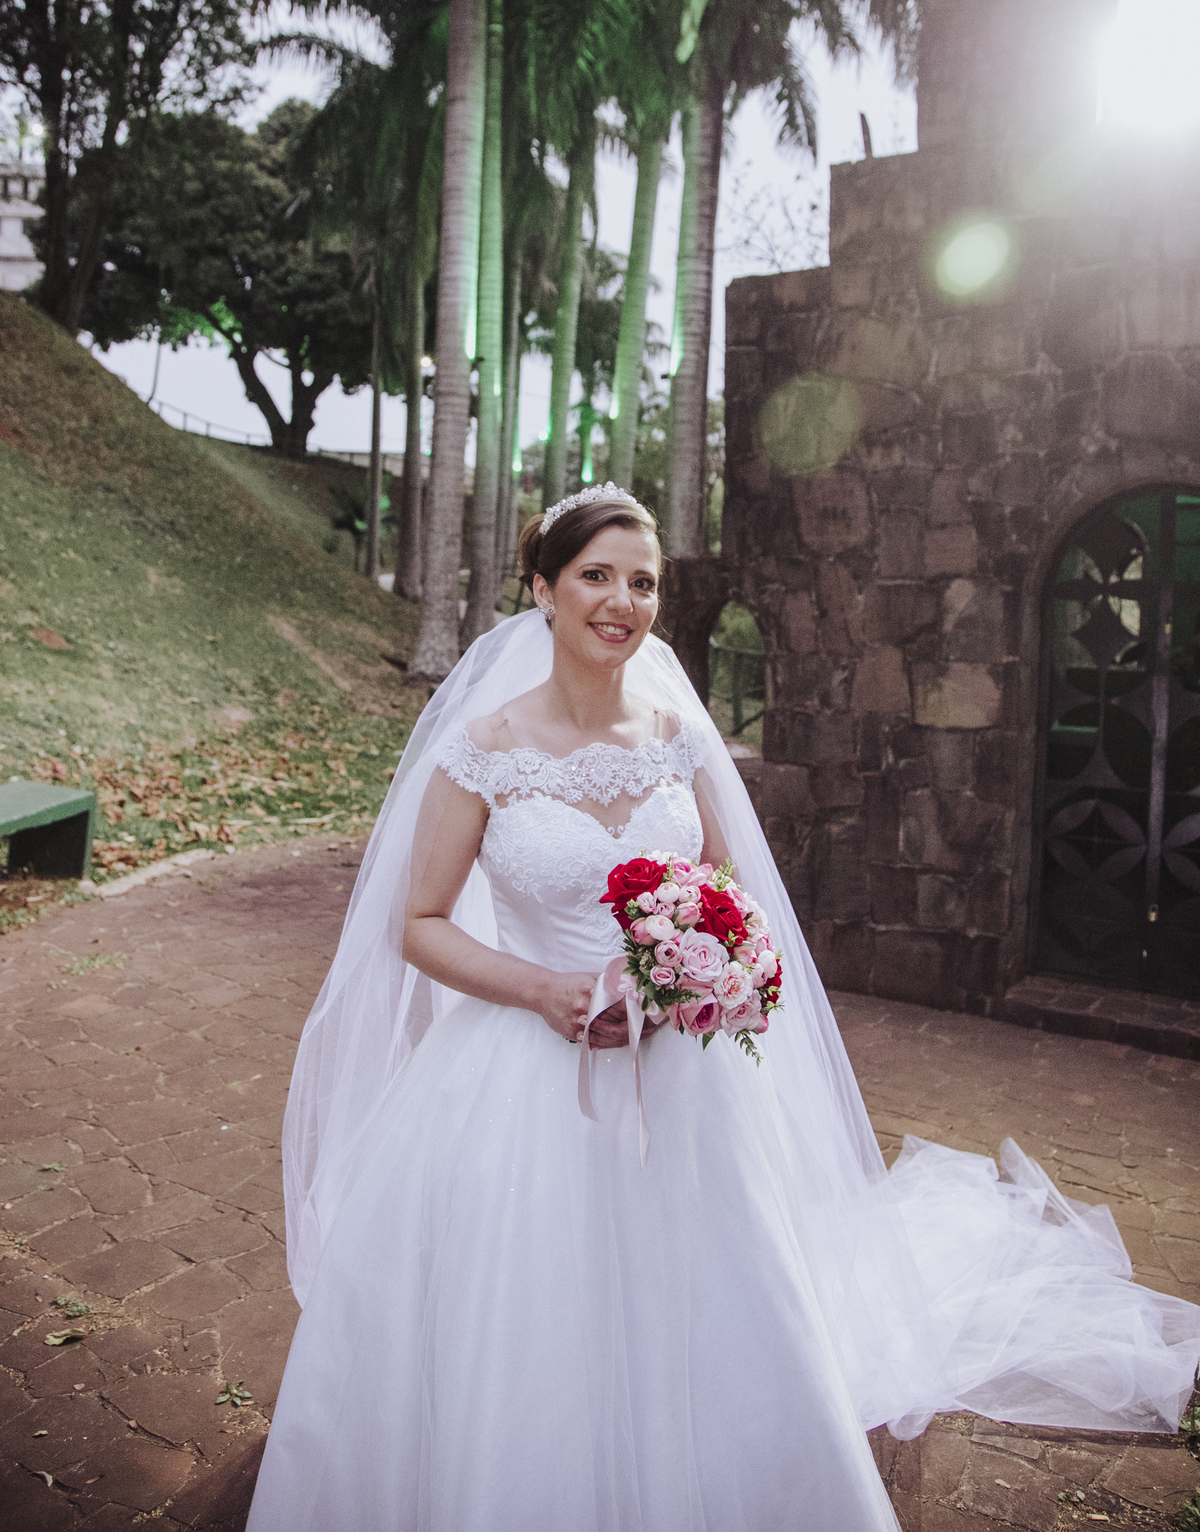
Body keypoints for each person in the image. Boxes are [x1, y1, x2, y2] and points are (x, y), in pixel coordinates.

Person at [247, 484, 1200, 1532]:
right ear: (544, 590)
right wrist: (545, 990)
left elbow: (732, 894)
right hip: (519, 1069)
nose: (623, 602)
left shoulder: (677, 739)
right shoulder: (484, 749)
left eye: (643, 582)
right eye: (596, 576)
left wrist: (698, 971)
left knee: (720, 1294)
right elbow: (421, 923)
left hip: (685, 1074)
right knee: (530, 1305)